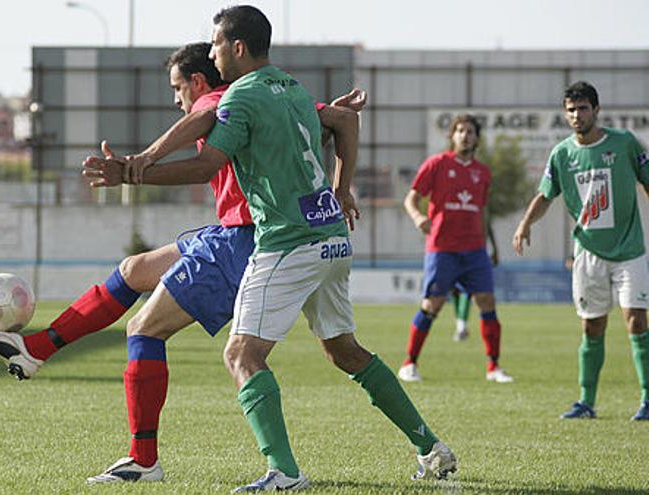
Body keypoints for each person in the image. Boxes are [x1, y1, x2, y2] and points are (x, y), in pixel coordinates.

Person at [85, 6, 456, 490]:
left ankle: (283, 471)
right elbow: (344, 121)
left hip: (288, 242)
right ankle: (431, 448)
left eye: (216, 44)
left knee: (242, 354)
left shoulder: (240, 96)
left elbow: (204, 164)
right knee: (345, 351)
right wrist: (342, 191)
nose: (213, 52)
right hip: (331, 238)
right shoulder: (292, 88)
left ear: (237, 47)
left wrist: (135, 171)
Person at [0, 41, 368, 485]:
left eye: (177, 88)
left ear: (198, 82)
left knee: (144, 330)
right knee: (134, 270)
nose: (175, 99)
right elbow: (334, 119)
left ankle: (143, 460)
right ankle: (36, 350)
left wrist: (140, 164)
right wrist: (333, 140)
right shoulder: (267, 93)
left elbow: (204, 121)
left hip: (247, 240)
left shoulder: (224, 97)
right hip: (234, 233)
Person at [513, 81, 649, 421]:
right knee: (592, 326)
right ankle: (586, 402)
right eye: (571, 110)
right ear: (565, 114)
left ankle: (647, 399)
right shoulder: (562, 154)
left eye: (583, 108)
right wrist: (525, 224)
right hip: (588, 253)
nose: (577, 115)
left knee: (636, 320)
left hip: (630, 249)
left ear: (596, 110)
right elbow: (546, 195)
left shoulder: (625, 143)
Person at [397, 114, 513, 384]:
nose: (465, 135)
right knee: (432, 304)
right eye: (459, 130)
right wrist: (418, 218)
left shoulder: (483, 173)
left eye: (470, 131)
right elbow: (411, 199)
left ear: (477, 138)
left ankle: (493, 367)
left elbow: (483, 212)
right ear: (452, 136)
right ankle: (409, 363)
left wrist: (491, 246)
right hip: (442, 249)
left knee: (487, 302)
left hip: (474, 251)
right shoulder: (436, 164)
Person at [451, 227, 498, 342]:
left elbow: (487, 226)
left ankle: (461, 327)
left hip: (474, 254)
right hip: (451, 251)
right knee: (455, 290)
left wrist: (494, 249)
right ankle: (460, 324)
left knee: (467, 290)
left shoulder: (479, 210)